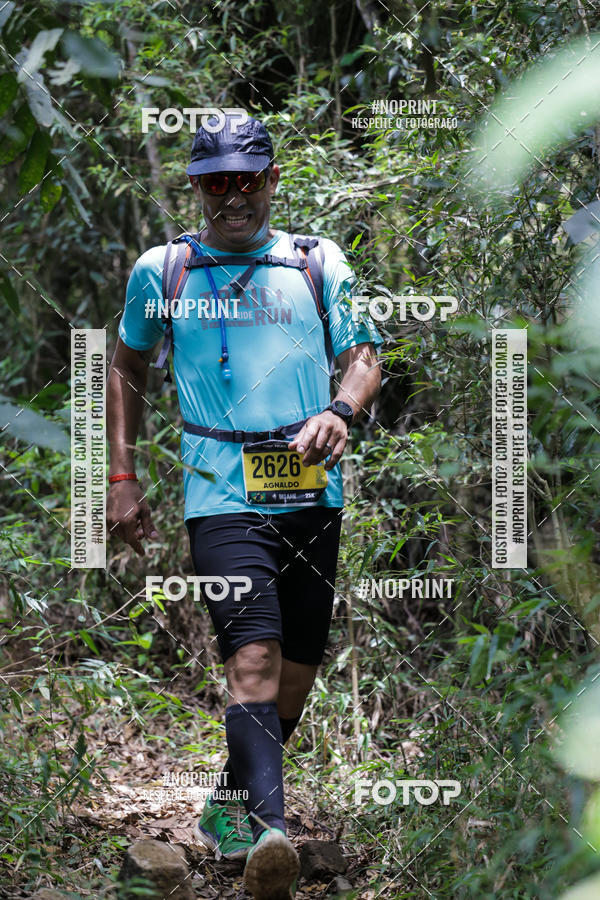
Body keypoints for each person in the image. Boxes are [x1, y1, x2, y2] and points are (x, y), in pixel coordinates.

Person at [106, 112, 381, 900]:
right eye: (214, 182)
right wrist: (121, 476)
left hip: (310, 487)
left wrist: (341, 410)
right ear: (196, 187)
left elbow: (365, 357)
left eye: (246, 179)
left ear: (271, 180)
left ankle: (224, 811)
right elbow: (124, 369)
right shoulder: (165, 272)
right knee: (252, 659)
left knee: (294, 677)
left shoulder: (315, 261)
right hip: (219, 489)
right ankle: (271, 836)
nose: (232, 196)